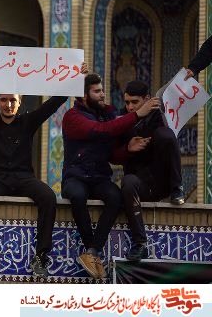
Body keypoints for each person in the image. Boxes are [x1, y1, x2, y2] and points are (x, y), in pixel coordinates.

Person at [0, 62, 88, 277]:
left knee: (48, 196)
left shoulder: (28, 122)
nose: (8, 105)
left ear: (20, 102)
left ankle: (41, 255)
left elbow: (53, 103)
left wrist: (75, 78)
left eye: (13, 100)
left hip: (23, 178)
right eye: (4, 100)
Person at [61, 73, 159, 279]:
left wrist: (127, 149)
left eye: (102, 90)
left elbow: (112, 155)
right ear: (84, 95)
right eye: (97, 91)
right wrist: (137, 114)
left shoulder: (106, 114)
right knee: (77, 195)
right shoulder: (72, 117)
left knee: (115, 197)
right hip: (75, 177)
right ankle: (92, 249)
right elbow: (101, 131)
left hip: (99, 177)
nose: (103, 94)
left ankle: (92, 252)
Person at [115, 80, 184, 262]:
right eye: (127, 102)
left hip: (160, 182)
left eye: (135, 102)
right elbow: (113, 152)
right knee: (127, 181)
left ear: (147, 99)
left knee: (166, 134)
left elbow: (167, 138)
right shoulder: (122, 119)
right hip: (140, 184)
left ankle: (177, 189)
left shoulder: (158, 115)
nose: (130, 107)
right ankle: (140, 244)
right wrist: (129, 147)